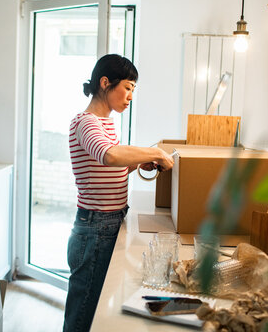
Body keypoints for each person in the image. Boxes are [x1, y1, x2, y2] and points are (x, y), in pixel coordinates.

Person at [63, 54, 174, 332]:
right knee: (83, 315)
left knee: (93, 307)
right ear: (105, 83)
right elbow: (110, 156)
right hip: (95, 228)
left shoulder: (106, 123)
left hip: (107, 223)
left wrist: (137, 163)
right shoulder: (85, 122)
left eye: (133, 90)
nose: (130, 96)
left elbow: (110, 169)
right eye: (127, 87)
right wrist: (157, 152)